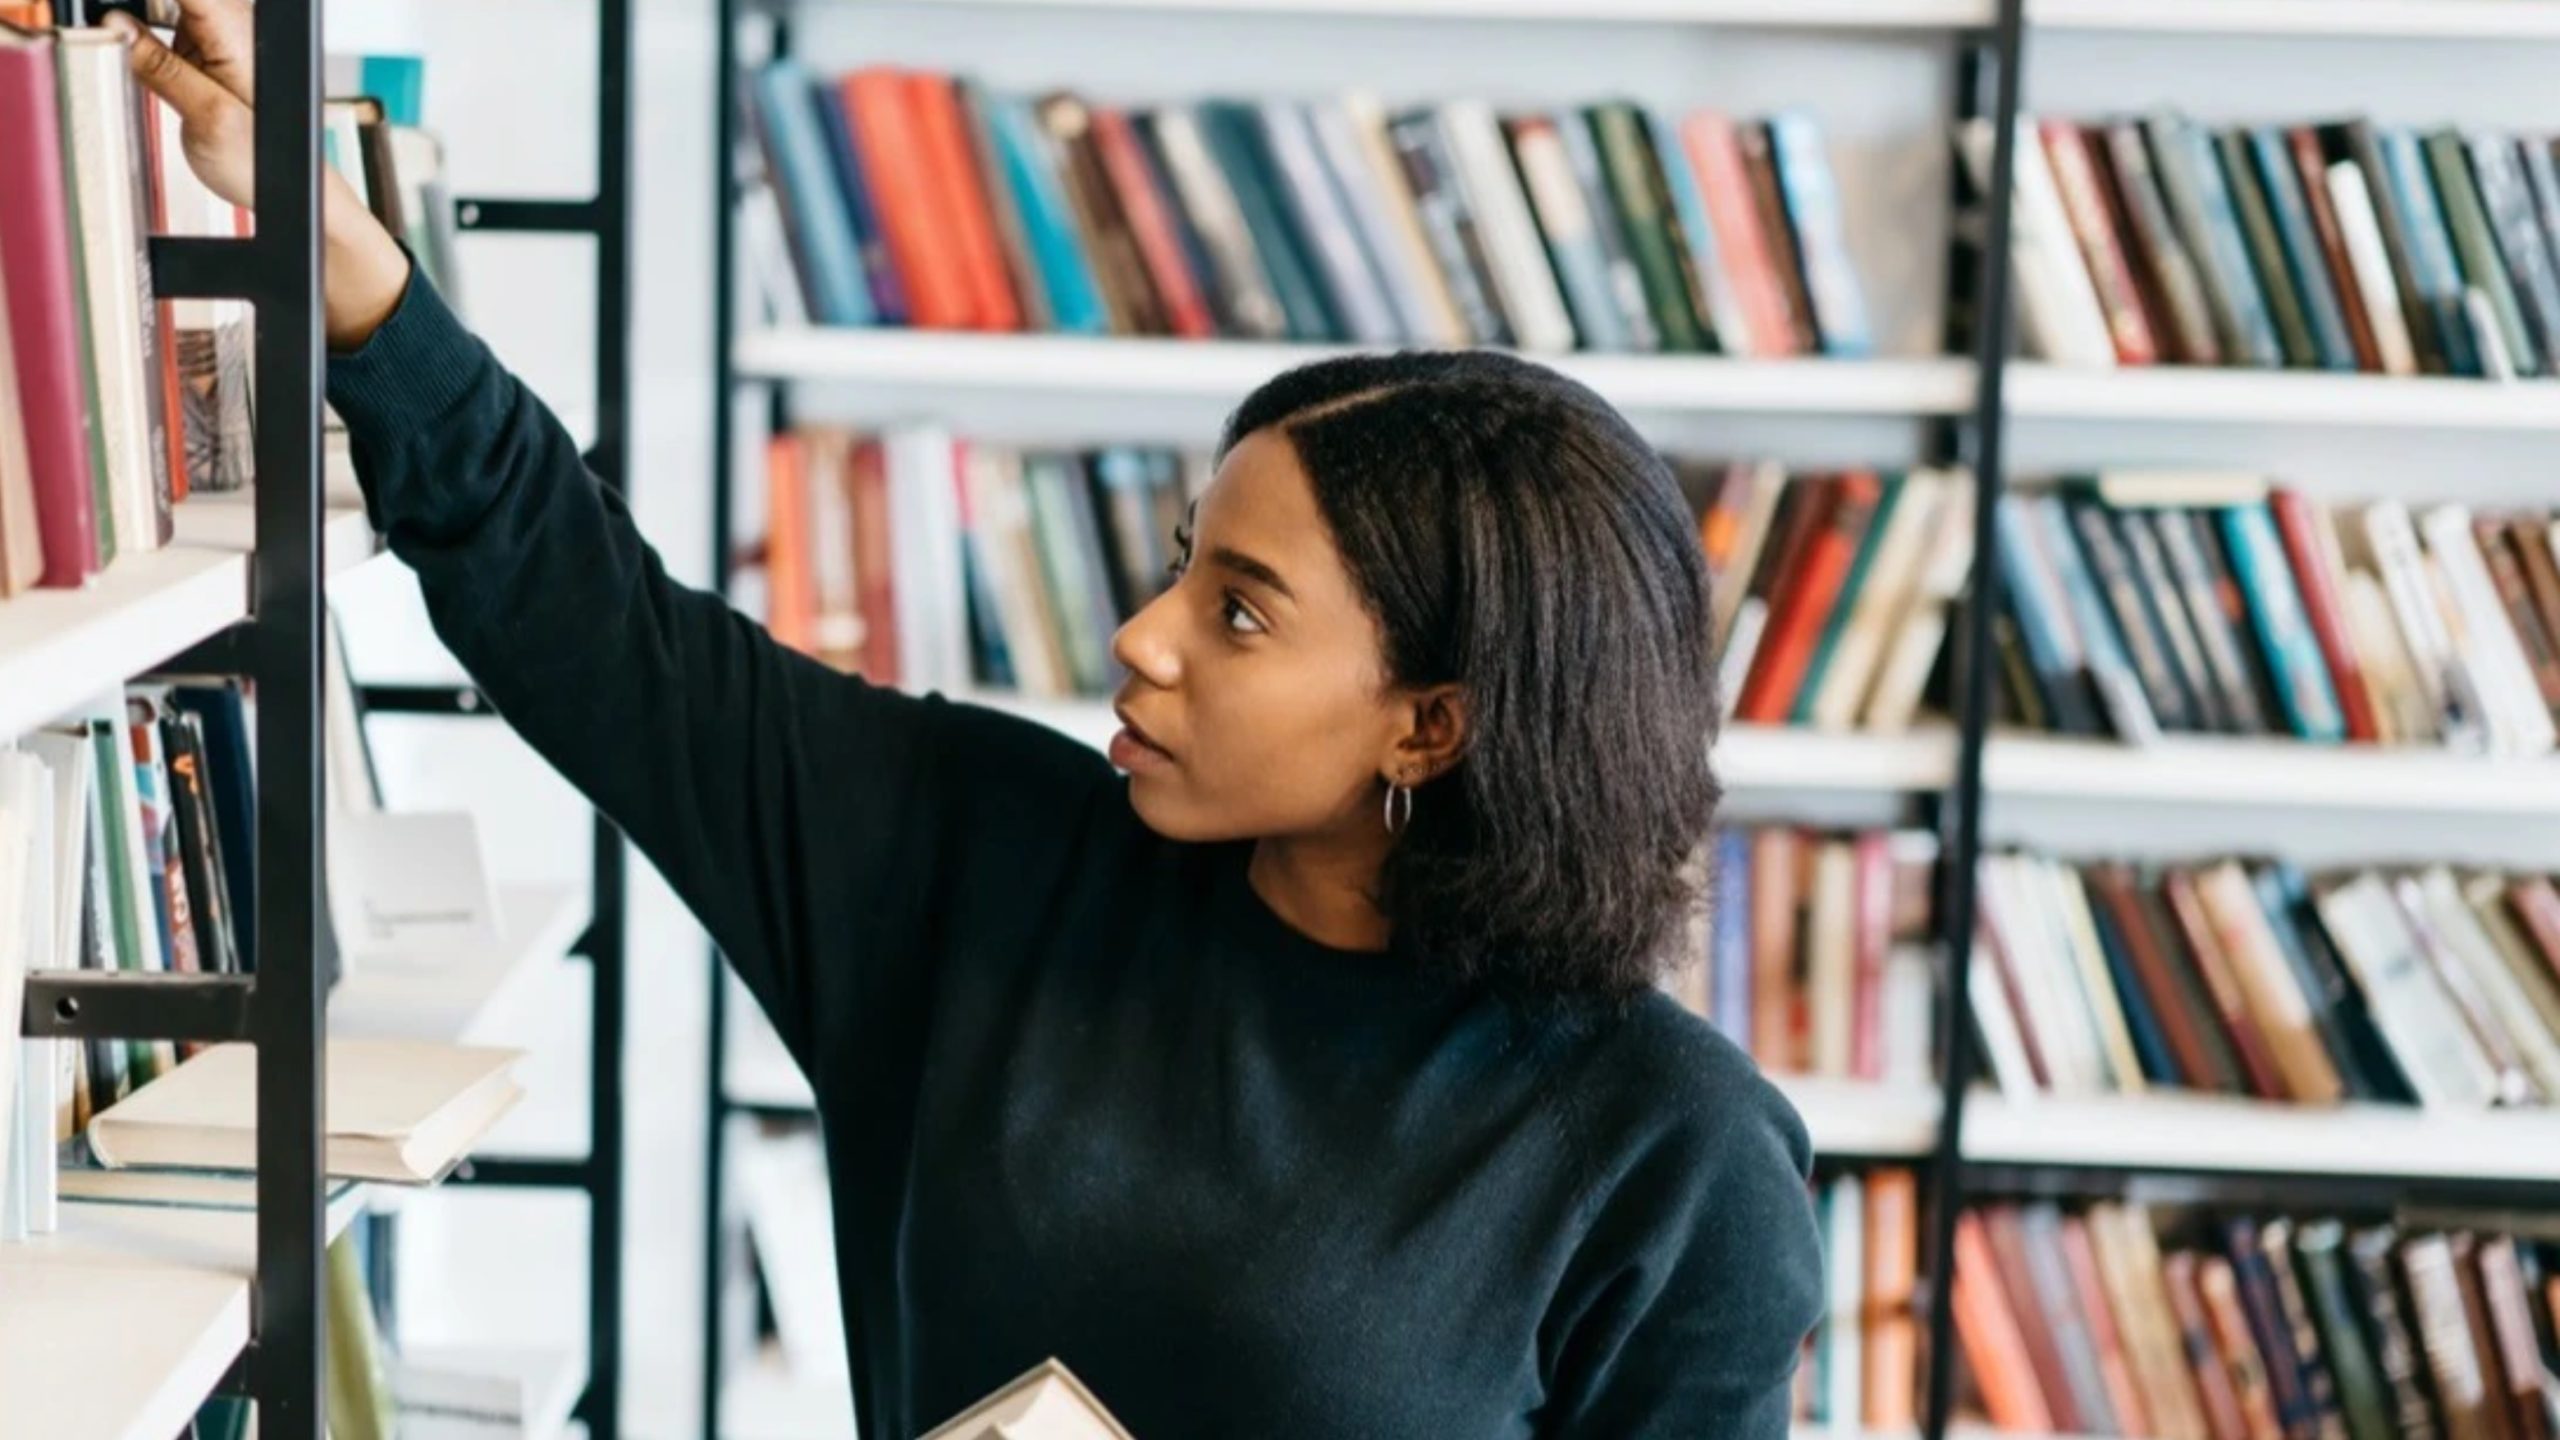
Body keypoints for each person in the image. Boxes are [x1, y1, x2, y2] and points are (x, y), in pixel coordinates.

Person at [116, 2, 1824, 1433]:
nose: (1141, 639)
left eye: (1237, 612)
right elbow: (602, 632)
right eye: (1177, 568)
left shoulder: (1671, 1155)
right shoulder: (979, 859)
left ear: (1430, 726)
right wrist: (352, 274)